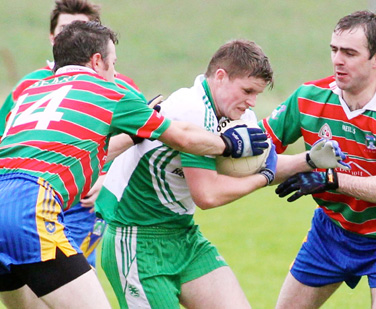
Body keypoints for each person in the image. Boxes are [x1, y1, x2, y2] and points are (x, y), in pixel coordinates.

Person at [0, 21, 268, 309]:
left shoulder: (30, 92)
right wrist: (230, 144)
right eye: (113, 63)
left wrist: (130, 136)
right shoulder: (110, 92)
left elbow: (74, 152)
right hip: (30, 209)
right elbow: (183, 137)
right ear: (97, 61)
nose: (115, 72)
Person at [95, 38, 350, 308]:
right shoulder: (191, 109)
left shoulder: (239, 119)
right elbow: (208, 195)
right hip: (136, 239)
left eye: (257, 95)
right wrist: (262, 179)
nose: (252, 103)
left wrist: (309, 159)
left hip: (183, 235)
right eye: (247, 90)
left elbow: (265, 167)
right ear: (220, 77)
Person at [260, 11, 376, 308]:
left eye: (350, 53)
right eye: (334, 50)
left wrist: (331, 179)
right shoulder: (307, 98)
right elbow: (260, 152)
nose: (338, 60)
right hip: (331, 232)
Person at [0, 0, 139, 269]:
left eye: (82, 28)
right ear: (53, 37)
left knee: (71, 280)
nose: (74, 35)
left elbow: (145, 137)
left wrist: (109, 178)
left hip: (84, 205)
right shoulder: (29, 86)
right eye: (66, 28)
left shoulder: (119, 87)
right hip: (27, 199)